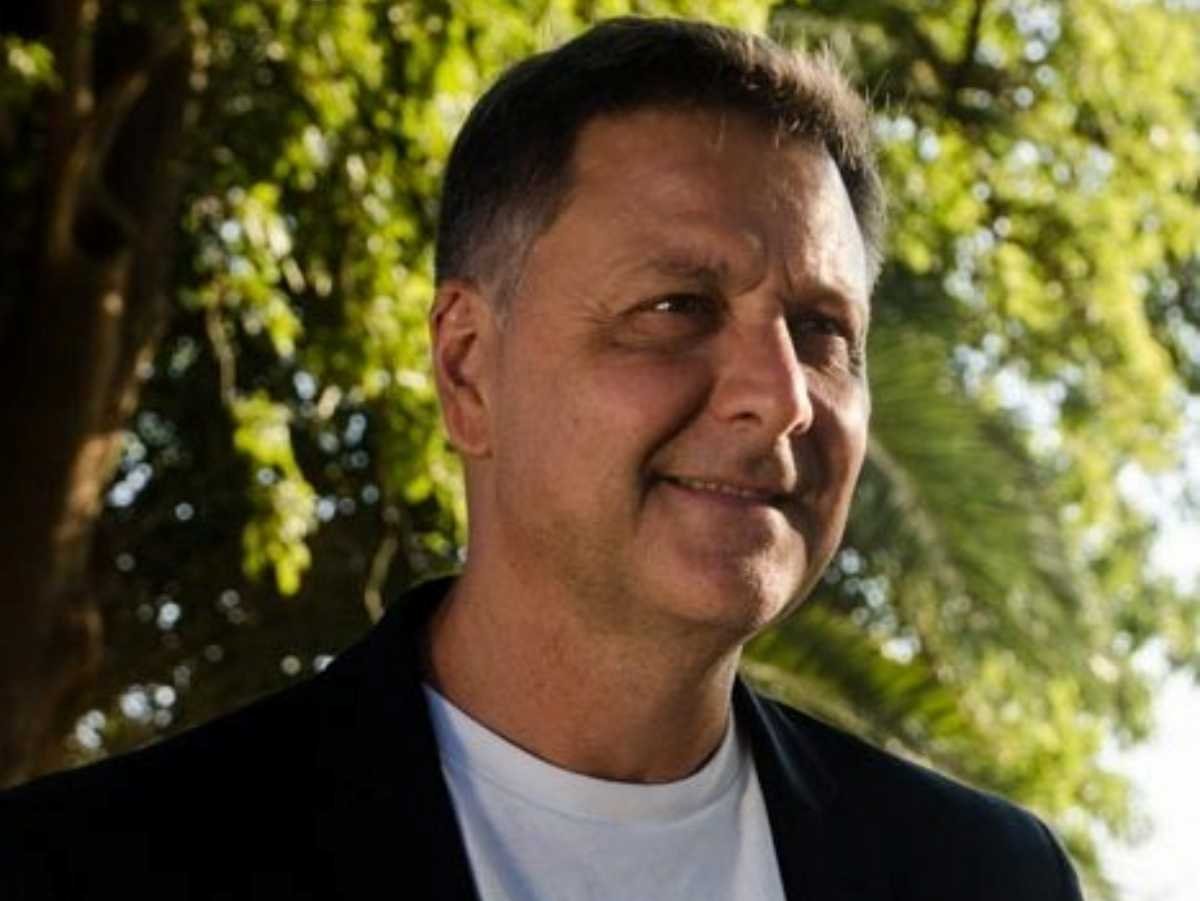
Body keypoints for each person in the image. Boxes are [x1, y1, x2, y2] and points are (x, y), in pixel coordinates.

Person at [2, 16, 1083, 901]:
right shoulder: (94, 869)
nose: (783, 396)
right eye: (678, 306)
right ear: (469, 368)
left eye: (822, 330)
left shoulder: (984, 876)